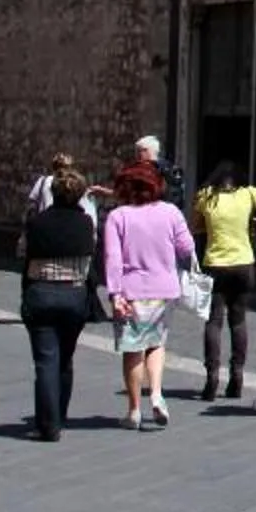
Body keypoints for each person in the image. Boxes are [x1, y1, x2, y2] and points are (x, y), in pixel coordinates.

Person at [98, 163, 194, 430]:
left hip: (131, 291)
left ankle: (134, 410)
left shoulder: (119, 217)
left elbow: (112, 259)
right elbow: (187, 247)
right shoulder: (171, 212)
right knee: (156, 343)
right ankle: (156, 394)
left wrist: (115, 293)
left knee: (133, 349)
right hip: (164, 290)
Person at [186, 160, 256, 402]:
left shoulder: (206, 196)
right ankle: (237, 375)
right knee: (238, 320)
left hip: (215, 264)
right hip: (243, 264)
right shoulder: (248, 194)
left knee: (214, 321)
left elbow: (195, 226)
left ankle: (212, 375)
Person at [16, 167, 99, 441]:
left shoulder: (37, 223)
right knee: (65, 359)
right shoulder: (86, 223)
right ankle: (59, 416)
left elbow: (23, 254)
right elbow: (91, 256)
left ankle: (48, 424)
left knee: (45, 360)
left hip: (41, 293)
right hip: (74, 295)